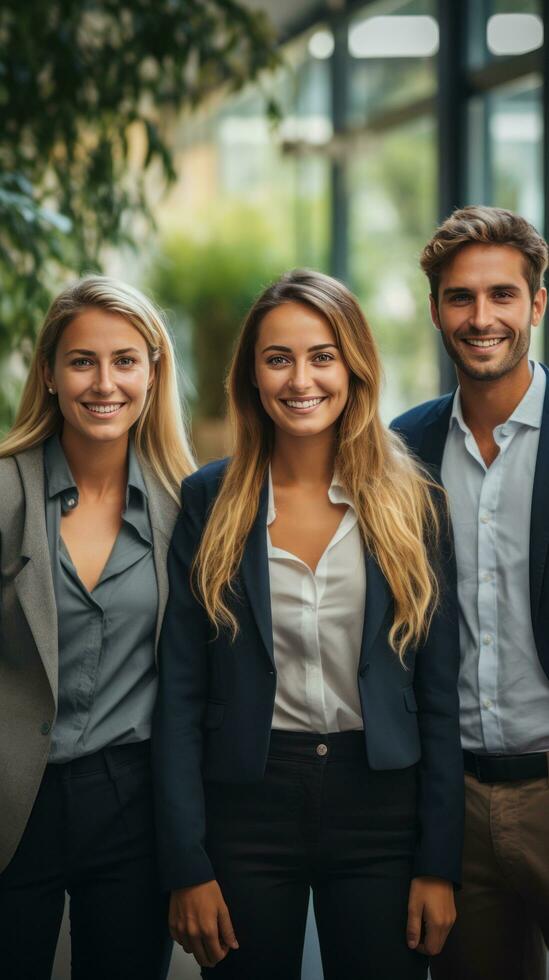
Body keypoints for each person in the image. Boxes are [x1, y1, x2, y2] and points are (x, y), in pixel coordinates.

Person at [152, 268, 463, 980]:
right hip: (245, 808)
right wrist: (186, 863)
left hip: (382, 808)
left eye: (321, 355)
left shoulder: (413, 501)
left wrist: (438, 861)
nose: (301, 379)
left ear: (353, 366)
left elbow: (441, 695)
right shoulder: (209, 499)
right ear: (252, 376)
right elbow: (179, 695)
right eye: (277, 358)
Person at [0, 275, 195, 980]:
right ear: (50, 373)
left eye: (124, 360)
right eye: (82, 361)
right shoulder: (4, 493)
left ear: (152, 370)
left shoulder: (186, 509)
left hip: (132, 803)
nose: (103, 382)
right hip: (12, 799)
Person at [391, 205, 549, 980]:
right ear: (434, 310)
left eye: (501, 296)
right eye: (459, 297)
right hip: (452, 800)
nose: (480, 317)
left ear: (536, 305)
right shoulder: (401, 449)